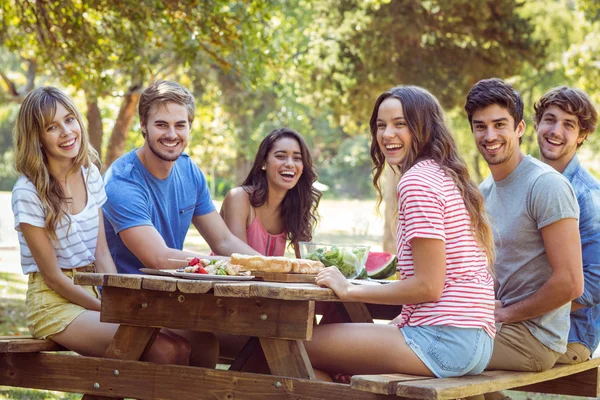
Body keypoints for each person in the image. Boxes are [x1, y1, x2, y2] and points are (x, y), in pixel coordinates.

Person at [304, 85, 496, 380]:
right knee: (321, 371)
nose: (386, 134)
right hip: (475, 341)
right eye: (381, 125)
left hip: (443, 340)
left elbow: (429, 286)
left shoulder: (418, 181)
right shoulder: (446, 174)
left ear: (424, 128)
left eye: (400, 124)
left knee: (293, 341)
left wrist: (350, 289)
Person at [11, 86, 191, 364]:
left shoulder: (89, 174)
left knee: (186, 346)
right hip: (54, 304)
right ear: (37, 137)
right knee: (164, 350)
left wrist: (117, 302)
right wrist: (105, 309)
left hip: (94, 291)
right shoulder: (28, 191)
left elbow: (102, 254)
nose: (67, 132)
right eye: (52, 127)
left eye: (70, 120)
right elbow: (53, 277)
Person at [102, 80, 260, 367]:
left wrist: (269, 265)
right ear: (143, 125)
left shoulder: (190, 172)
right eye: (161, 124)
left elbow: (223, 241)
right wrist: (235, 266)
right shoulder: (122, 181)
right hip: (125, 301)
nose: (172, 134)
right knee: (180, 349)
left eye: (180, 125)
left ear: (189, 126)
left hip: (169, 299)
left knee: (213, 344)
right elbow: (159, 258)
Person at [464, 78, 584, 375]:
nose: (490, 135)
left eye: (499, 124)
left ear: (519, 128)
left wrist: (504, 313)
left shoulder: (546, 186)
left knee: (426, 348)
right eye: (480, 126)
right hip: (497, 327)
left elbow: (571, 283)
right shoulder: (484, 192)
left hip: (534, 339)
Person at [534, 86, 600, 364]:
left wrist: (525, 312)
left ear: (582, 135)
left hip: (570, 335)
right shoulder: (528, 183)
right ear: (536, 124)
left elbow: (596, 283)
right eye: (550, 119)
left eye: (568, 125)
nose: (555, 131)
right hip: (526, 320)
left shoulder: (587, 195)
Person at [220, 128, 321, 258]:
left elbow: (307, 260)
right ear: (263, 163)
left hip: (268, 278)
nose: (290, 164)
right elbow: (238, 260)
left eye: (297, 158)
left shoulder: (296, 204)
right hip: (226, 277)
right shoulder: (239, 198)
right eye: (280, 156)